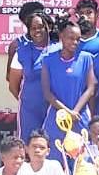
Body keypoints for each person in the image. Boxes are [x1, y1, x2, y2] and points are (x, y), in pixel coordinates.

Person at [39, 21, 95, 162]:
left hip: (79, 118)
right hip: (56, 118)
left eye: (78, 39)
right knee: (56, 159)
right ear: (61, 36)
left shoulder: (86, 58)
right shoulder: (48, 60)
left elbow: (91, 88)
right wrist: (67, 112)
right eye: (71, 38)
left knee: (81, 161)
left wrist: (75, 111)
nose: (75, 42)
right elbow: (47, 93)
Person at [8, 9, 55, 140]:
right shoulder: (21, 51)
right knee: (28, 144)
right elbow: (13, 86)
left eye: (40, 27)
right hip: (29, 110)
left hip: (53, 108)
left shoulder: (58, 49)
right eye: (33, 28)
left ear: (48, 27)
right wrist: (28, 101)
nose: (37, 31)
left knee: (52, 143)